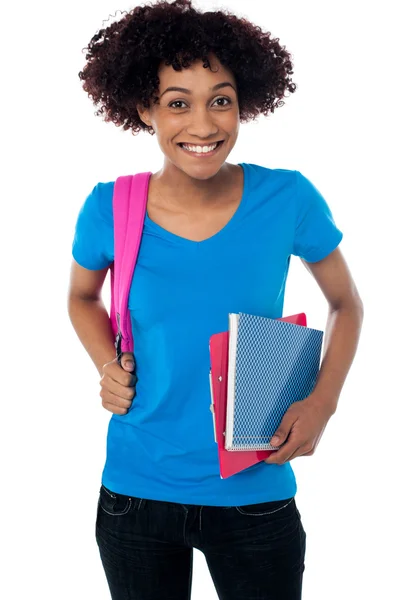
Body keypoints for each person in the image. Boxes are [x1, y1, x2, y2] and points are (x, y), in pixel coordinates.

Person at [67, 1, 364, 598]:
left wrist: (323, 401)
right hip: (135, 495)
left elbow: (346, 303)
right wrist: (106, 365)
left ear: (243, 102)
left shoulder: (288, 197)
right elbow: (80, 297)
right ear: (144, 108)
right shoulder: (110, 207)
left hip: (254, 491)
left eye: (220, 100)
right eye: (178, 103)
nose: (203, 125)